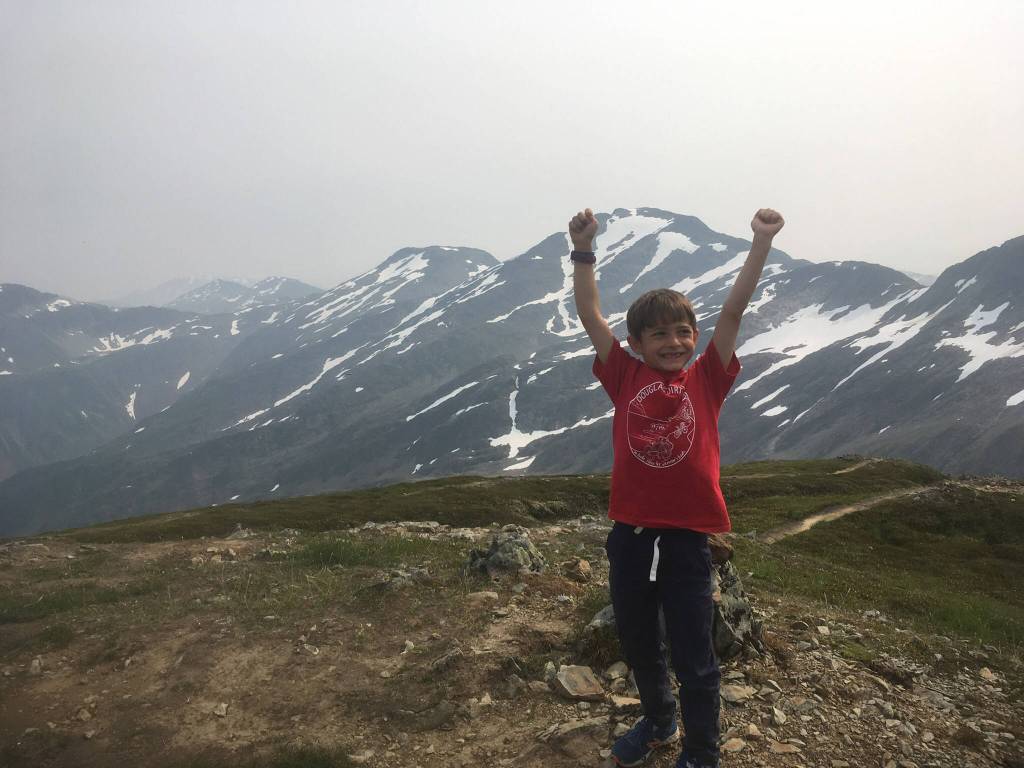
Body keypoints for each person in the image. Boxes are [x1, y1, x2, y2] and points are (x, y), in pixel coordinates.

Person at [568, 207, 785, 768]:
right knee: (640, 644)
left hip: (688, 542)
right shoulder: (624, 375)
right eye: (659, 333)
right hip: (631, 537)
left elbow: (734, 311)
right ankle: (660, 720)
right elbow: (589, 312)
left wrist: (760, 241)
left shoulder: (708, 377)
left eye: (683, 331)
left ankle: (703, 751)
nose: (674, 341)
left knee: (695, 656)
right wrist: (583, 250)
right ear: (636, 343)